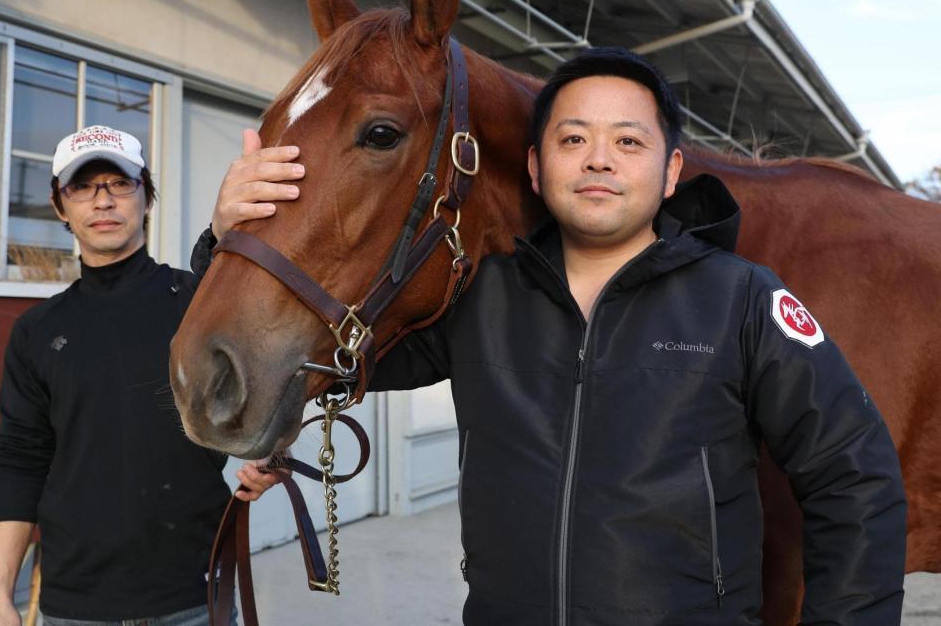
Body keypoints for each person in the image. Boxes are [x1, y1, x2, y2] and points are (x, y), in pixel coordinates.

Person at [201, 48, 908, 624]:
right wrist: (226, 237)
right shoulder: (481, 298)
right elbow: (320, 349)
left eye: (628, 141)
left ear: (670, 174)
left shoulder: (745, 300)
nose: (598, 159)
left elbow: (857, 475)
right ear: (537, 169)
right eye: (573, 139)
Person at [0, 125, 298, 626]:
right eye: (82, 187)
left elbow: (267, 396)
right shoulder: (36, 331)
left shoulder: (200, 303)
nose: (102, 201)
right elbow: (20, 461)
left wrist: (273, 454)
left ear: (147, 197)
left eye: (119, 183)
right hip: (74, 606)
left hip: (195, 594)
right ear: (61, 207)